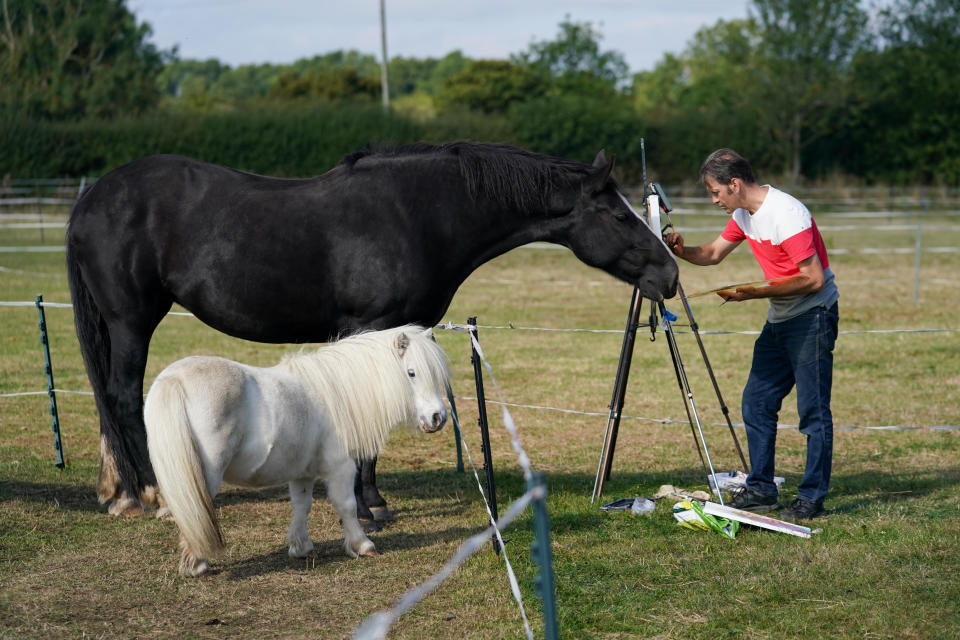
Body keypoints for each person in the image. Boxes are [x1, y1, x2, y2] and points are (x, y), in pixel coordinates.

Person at [664, 149, 839, 521]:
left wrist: (752, 292)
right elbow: (712, 254)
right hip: (781, 318)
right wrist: (681, 251)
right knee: (756, 402)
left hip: (813, 317)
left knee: (812, 412)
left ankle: (811, 498)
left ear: (735, 183)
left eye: (715, 193)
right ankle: (761, 489)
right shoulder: (744, 214)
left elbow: (813, 279)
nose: (714, 201)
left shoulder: (786, 214)